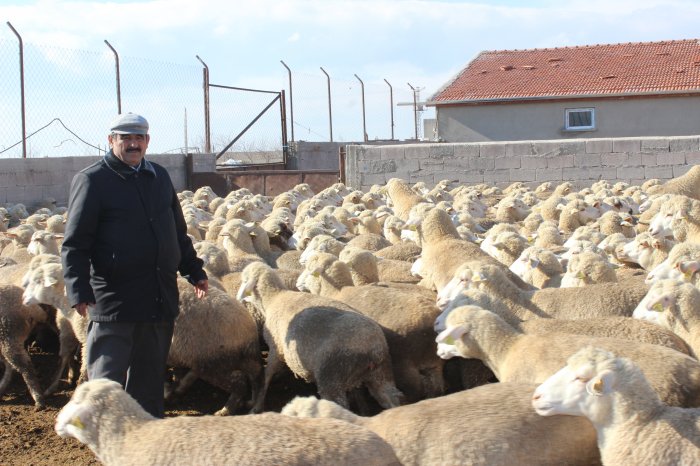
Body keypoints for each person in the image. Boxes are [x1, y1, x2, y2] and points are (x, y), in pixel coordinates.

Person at [61, 112, 208, 418]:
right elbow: (75, 243)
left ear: (147, 141)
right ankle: (102, 438)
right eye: (125, 137)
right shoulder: (92, 180)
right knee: (106, 377)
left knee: (149, 377)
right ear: (111, 140)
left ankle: (145, 440)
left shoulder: (158, 176)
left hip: (157, 294)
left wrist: (194, 271)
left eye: (138, 138)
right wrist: (78, 289)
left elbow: (176, 232)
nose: (132, 144)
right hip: (114, 299)